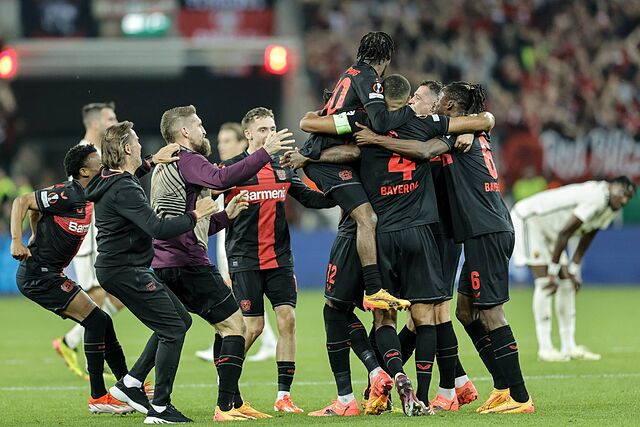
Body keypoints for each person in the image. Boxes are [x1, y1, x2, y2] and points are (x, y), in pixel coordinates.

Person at [292, 75, 493, 416]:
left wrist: (311, 159)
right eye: (413, 95)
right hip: (426, 230)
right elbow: (482, 120)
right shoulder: (429, 126)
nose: (417, 100)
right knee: (425, 314)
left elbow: (345, 147)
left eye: (423, 96)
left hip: (392, 234)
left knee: (391, 314)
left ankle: (421, 384)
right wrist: (464, 130)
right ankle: (440, 388)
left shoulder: (372, 124)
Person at [357, 81, 535, 414]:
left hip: (485, 230)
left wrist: (377, 140)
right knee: (465, 311)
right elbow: (483, 120)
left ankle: (519, 396)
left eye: (439, 102)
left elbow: (426, 151)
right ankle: (500, 386)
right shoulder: (468, 131)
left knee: (491, 314)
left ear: (451, 106)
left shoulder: (456, 137)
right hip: (481, 230)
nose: (435, 106)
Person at [146, 105, 294, 421]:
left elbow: (197, 221)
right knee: (236, 326)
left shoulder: (168, 165)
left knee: (190, 327)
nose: (203, 129)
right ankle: (225, 405)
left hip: (168, 261)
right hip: (188, 261)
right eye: (198, 124)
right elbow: (221, 177)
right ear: (184, 131)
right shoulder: (188, 159)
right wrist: (265, 153)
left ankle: (136, 386)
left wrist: (227, 215)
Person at [85, 121, 219, 424]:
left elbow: (128, 179)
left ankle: (130, 384)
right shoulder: (124, 189)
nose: (142, 146)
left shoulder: (109, 178)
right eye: (137, 143)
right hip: (125, 270)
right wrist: (197, 213)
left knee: (180, 320)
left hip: (119, 267)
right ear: (128, 148)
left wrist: (152, 161)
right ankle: (159, 408)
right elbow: (157, 228)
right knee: (172, 329)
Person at [223, 107, 336, 413]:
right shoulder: (233, 169)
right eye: (262, 130)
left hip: (280, 259)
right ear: (247, 133)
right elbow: (211, 200)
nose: (269, 134)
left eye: (272, 128)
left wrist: (343, 192)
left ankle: (283, 396)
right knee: (253, 327)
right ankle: (227, 386)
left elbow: (310, 199)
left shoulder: (283, 168)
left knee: (288, 320)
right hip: (245, 259)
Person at [11, 144, 132, 414]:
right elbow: (22, 202)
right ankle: (99, 397)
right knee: (97, 320)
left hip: (50, 272)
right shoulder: (68, 193)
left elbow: (35, 209)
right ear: (83, 170)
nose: (103, 163)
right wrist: (19, 240)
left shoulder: (92, 191)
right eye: (97, 160)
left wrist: (35, 232)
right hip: (37, 274)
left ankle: (126, 384)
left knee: (102, 320)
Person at [299, 31, 412, 311]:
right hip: (327, 162)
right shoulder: (369, 78)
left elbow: (333, 119)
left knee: (356, 216)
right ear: (386, 58)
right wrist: (410, 113)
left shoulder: (348, 74)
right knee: (367, 217)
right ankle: (373, 289)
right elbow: (382, 121)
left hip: (331, 155)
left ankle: (356, 282)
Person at [511, 177, 635, 362]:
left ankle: (569, 346)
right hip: (531, 219)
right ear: (612, 186)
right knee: (546, 282)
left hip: (553, 231)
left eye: (628, 198)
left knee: (568, 283)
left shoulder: (611, 206)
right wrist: (554, 272)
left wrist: (574, 267)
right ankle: (545, 348)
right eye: (622, 194)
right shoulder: (597, 196)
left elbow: (589, 234)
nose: (624, 201)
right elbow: (566, 233)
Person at [195, 122, 278, 364]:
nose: (222, 146)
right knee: (237, 298)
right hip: (224, 238)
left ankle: (228, 347)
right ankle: (259, 340)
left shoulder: (246, 173)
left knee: (235, 296)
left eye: (228, 140)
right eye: (220, 141)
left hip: (242, 246)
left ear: (244, 142)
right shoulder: (221, 172)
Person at [54, 102, 124, 380]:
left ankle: (71, 341)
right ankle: (93, 353)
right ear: (96, 124)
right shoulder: (84, 156)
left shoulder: (101, 154)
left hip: (104, 234)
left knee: (118, 296)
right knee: (94, 295)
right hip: (91, 235)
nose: (115, 120)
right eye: (111, 117)